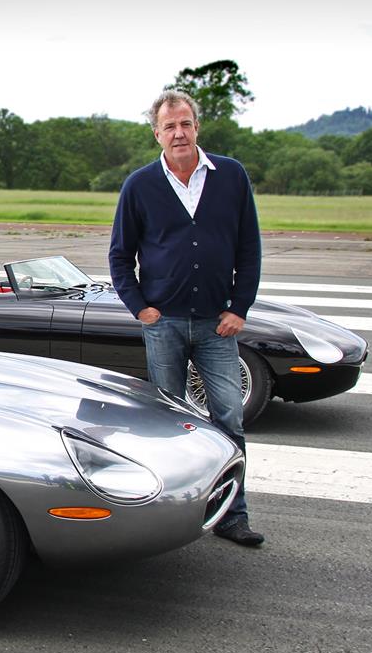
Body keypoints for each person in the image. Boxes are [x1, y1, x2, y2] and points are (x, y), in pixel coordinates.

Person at [108, 88, 264, 546]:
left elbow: (249, 248)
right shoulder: (140, 185)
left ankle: (232, 515)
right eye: (169, 126)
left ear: (197, 127)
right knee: (168, 424)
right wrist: (141, 308)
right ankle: (170, 516)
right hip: (165, 325)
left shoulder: (230, 176)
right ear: (156, 134)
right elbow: (120, 256)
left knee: (229, 419)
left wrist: (239, 308)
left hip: (218, 325)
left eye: (185, 124)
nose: (179, 133)